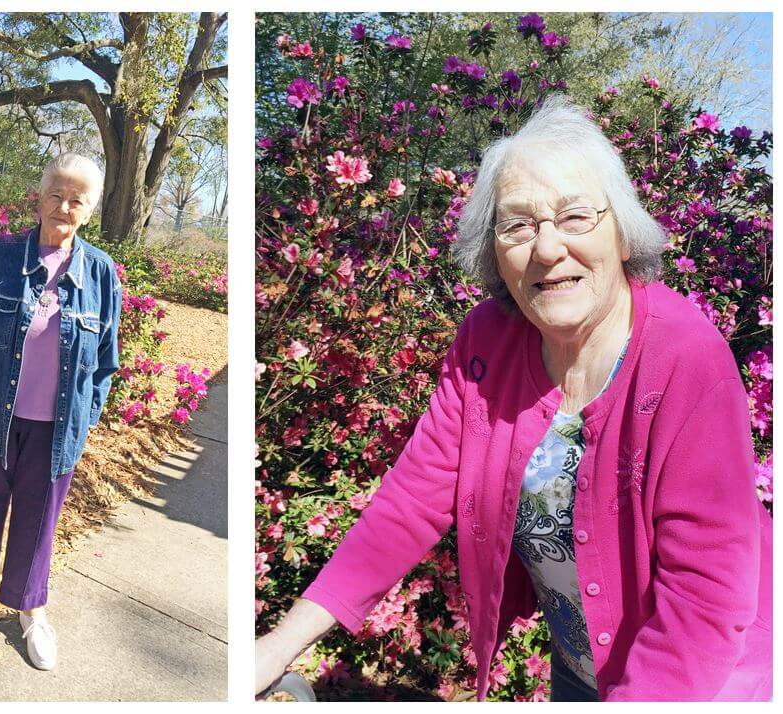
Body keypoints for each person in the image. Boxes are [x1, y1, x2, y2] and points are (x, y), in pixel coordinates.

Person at [255, 96, 772, 701]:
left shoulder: (685, 359)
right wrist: (280, 644)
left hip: (709, 678)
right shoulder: (487, 342)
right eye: (519, 225)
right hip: (582, 669)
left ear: (625, 236)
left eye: (577, 217)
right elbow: (410, 501)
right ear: (495, 255)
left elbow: (704, 597)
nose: (548, 249)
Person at [0, 153, 122, 670]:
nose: (64, 207)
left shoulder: (101, 274)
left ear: (89, 210)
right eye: (56, 194)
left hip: (56, 425)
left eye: (77, 200)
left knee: (39, 519)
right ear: (40, 197)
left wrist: (86, 419)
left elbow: (105, 361)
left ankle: (29, 610)